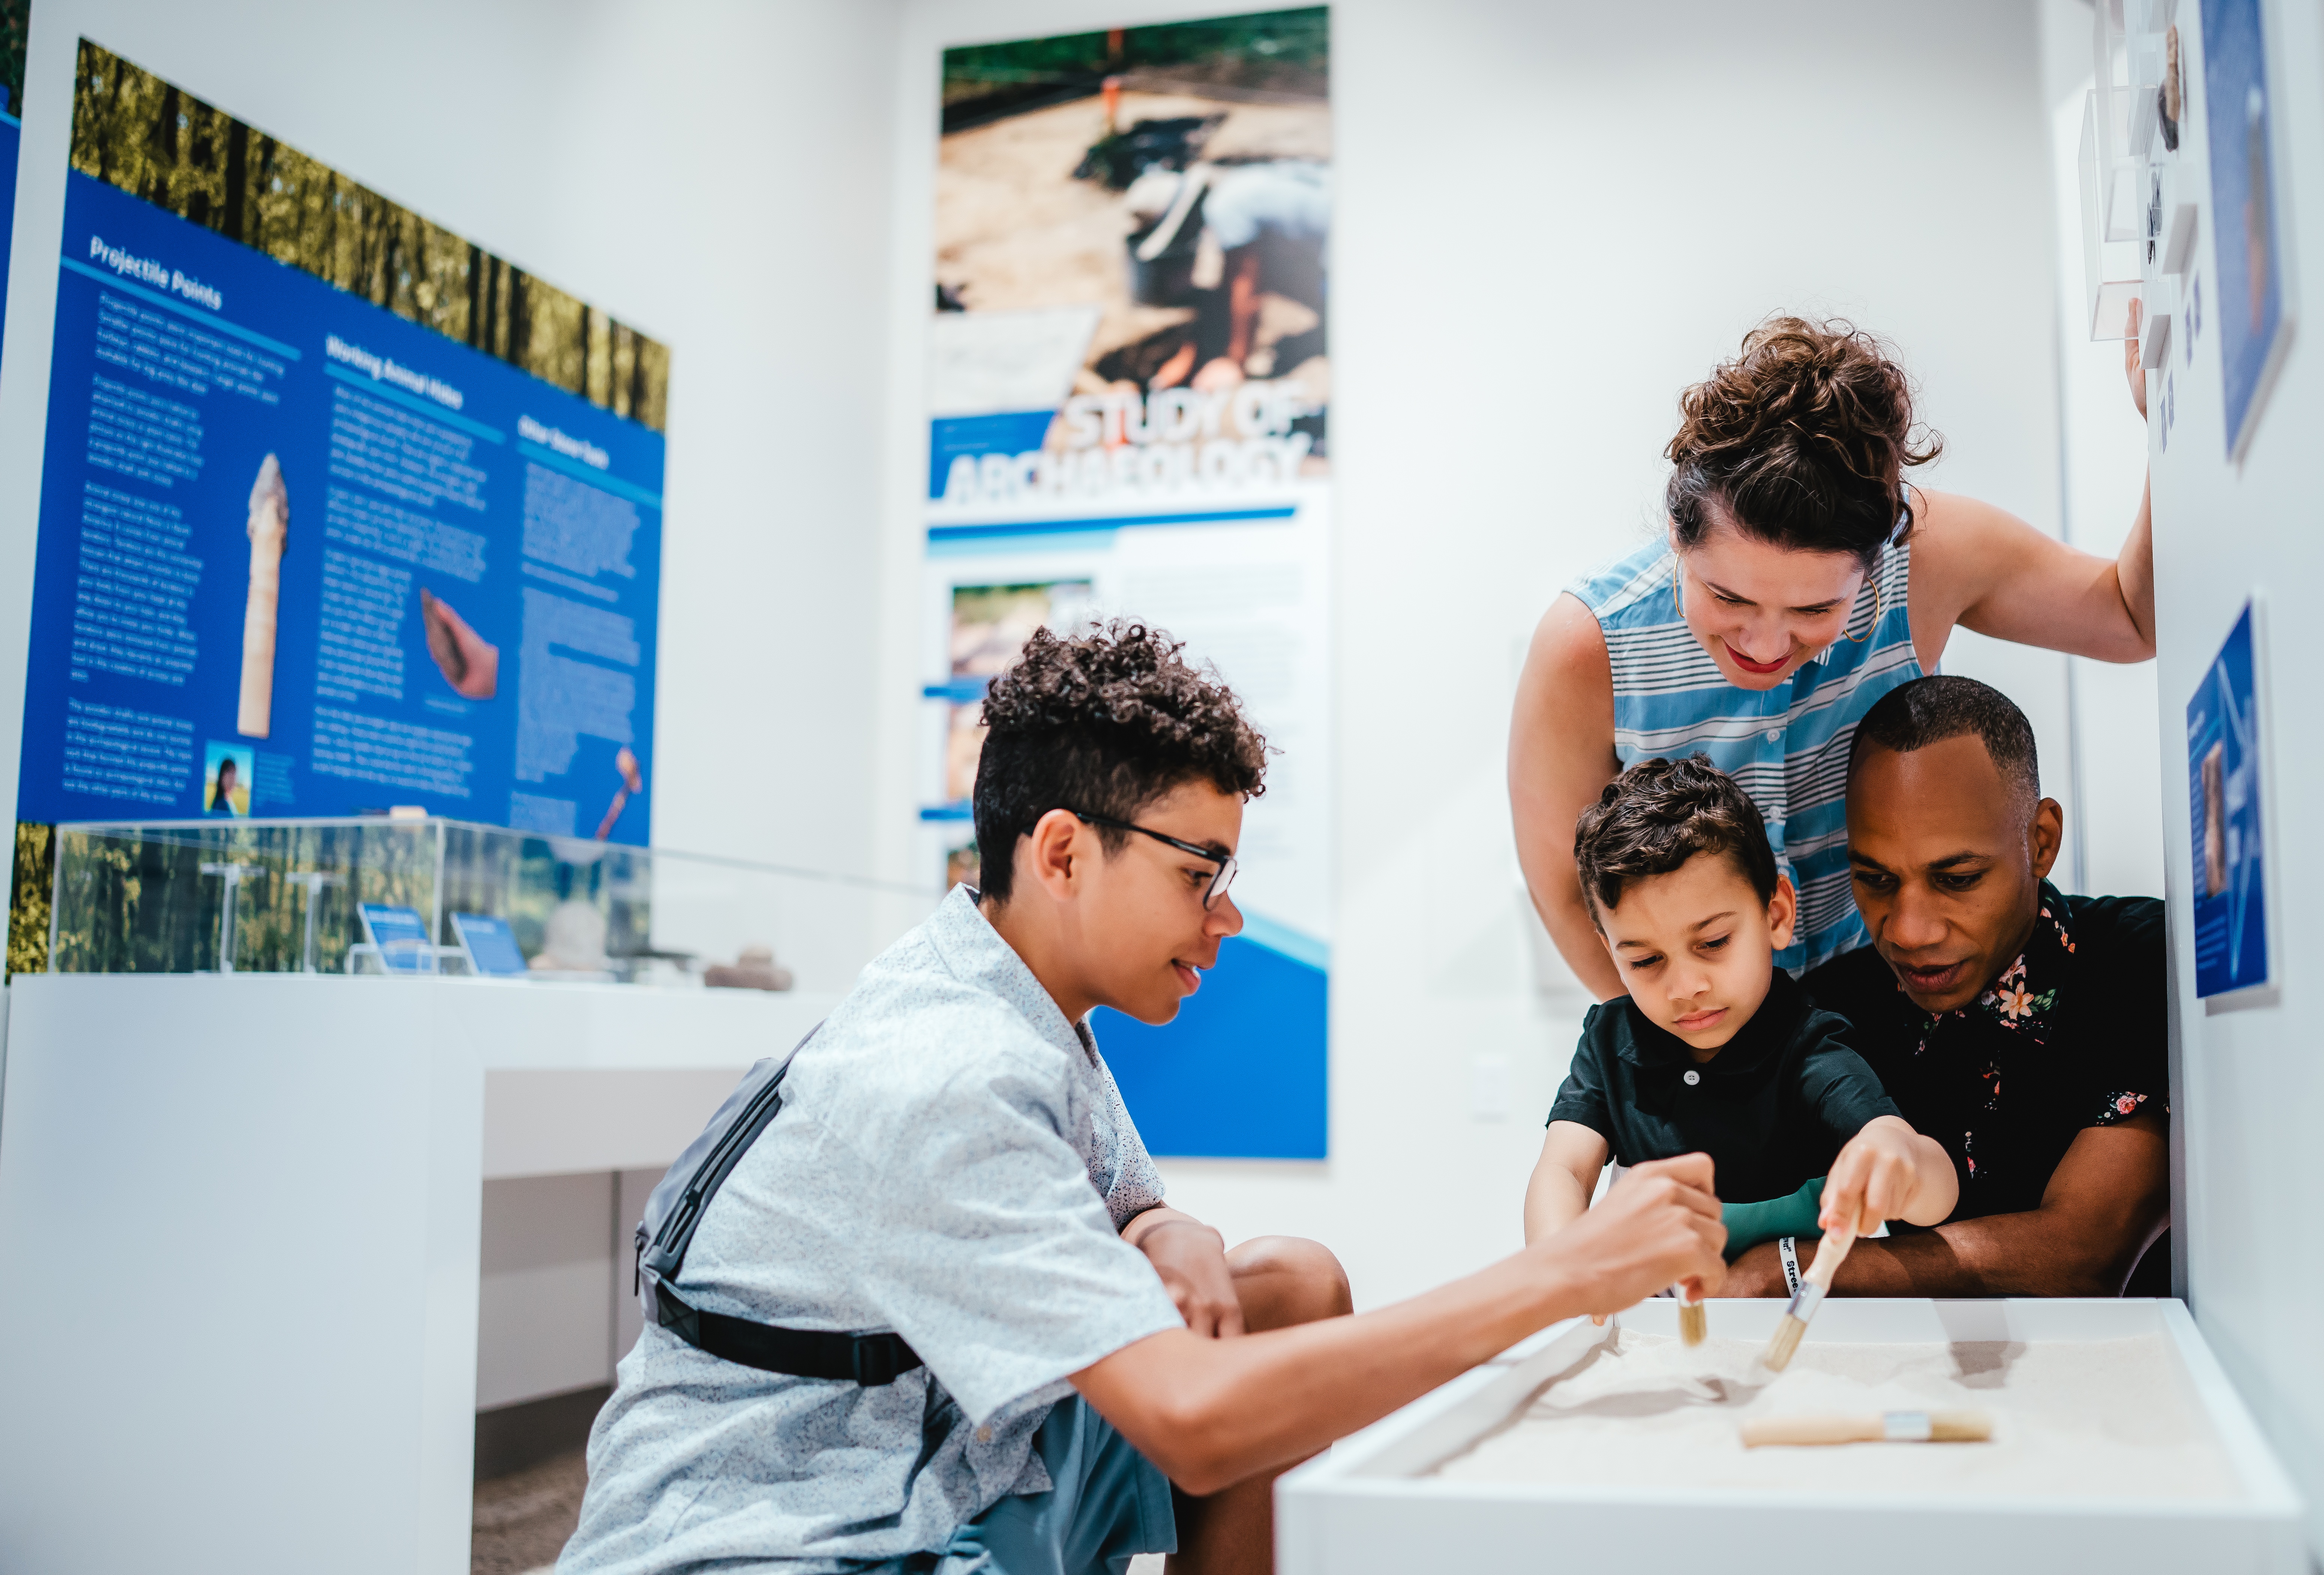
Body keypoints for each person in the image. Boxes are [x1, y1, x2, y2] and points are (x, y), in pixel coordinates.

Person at [563, 622, 1727, 1575]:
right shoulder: (948, 1070)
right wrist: (1560, 1274)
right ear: (1063, 853)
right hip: (797, 1520)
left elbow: (1119, 1199)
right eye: (1197, 873)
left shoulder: (1011, 984)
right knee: (1225, 1394)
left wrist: (1158, 1223)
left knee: (1289, 1284)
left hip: (938, 1433)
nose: (1224, 917)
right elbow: (1193, 1418)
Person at [1510, 317, 2154, 990]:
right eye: (1728, 598)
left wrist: (2166, 421)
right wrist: (1678, 1052)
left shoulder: (1928, 559)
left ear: (1877, 561)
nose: (1764, 646)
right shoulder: (1588, 645)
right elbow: (1563, 888)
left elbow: (2132, 618)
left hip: (1895, 1009)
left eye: (1814, 610)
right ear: (1677, 530)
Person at [1720, 674, 2170, 1299]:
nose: (1909, 931)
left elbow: (2082, 1255)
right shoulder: (1833, 1009)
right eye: (1876, 879)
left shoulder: (2137, 959)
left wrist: (1793, 1267)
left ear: (2040, 842)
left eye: (1956, 878)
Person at [1526, 758, 1956, 1268]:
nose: (1686, 987)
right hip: (1658, 1328)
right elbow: (1565, 1172)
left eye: (1713, 942)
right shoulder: (1610, 1044)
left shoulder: (1811, 1046)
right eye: (1644, 960)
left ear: (1775, 915)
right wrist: (1561, 1268)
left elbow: (1927, 1180)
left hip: (1794, 1329)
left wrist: (1900, 1160)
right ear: (1610, 949)